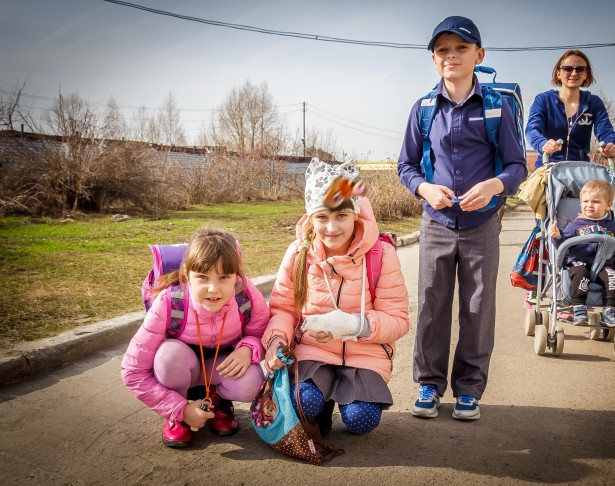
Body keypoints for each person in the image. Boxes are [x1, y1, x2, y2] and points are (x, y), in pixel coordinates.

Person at [397, 16, 527, 421]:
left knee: (477, 306)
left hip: (482, 224)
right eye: (443, 51)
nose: (451, 56)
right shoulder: (423, 109)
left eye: (461, 49)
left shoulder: (497, 107)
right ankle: (429, 385)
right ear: (434, 60)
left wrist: (493, 187)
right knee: (431, 305)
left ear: (479, 55)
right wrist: (425, 189)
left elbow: (517, 166)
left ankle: (469, 389)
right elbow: (405, 166)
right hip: (435, 223)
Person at [262, 159, 409, 436]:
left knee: (360, 420)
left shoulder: (381, 255)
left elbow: (398, 320)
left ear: (356, 214)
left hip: (366, 355)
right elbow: (283, 308)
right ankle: (321, 405)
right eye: (322, 217)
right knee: (304, 402)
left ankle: (343, 400)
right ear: (310, 218)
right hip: (312, 353)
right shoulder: (299, 254)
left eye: (341, 215)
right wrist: (277, 341)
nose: (331, 228)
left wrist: (355, 325)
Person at [121, 228, 269, 448]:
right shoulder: (169, 303)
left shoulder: (245, 295)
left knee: (252, 379)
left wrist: (248, 348)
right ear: (187, 275)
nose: (213, 288)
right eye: (202, 276)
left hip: (220, 365)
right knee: (168, 356)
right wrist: (180, 409)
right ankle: (177, 417)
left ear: (237, 277)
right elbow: (133, 372)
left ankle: (219, 405)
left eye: (224, 277)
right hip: (181, 366)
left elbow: (262, 331)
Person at [548, 180, 615, 326]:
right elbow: (563, 246)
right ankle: (579, 308)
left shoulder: (613, 227)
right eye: (585, 201)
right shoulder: (575, 225)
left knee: (614, 276)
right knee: (580, 273)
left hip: (605, 264)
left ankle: (609, 310)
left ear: (609, 205)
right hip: (580, 263)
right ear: (580, 203)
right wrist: (557, 237)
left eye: (596, 201)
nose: (589, 205)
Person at [525, 49, 615, 172]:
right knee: (528, 191)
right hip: (547, 169)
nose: (574, 73)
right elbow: (532, 129)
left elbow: (605, 131)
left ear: (586, 74)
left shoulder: (594, 103)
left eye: (580, 69)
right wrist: (543, 144)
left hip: (581, 171)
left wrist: (609, 144)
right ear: (558, 73)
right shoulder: (543, 100)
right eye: (568, 69)